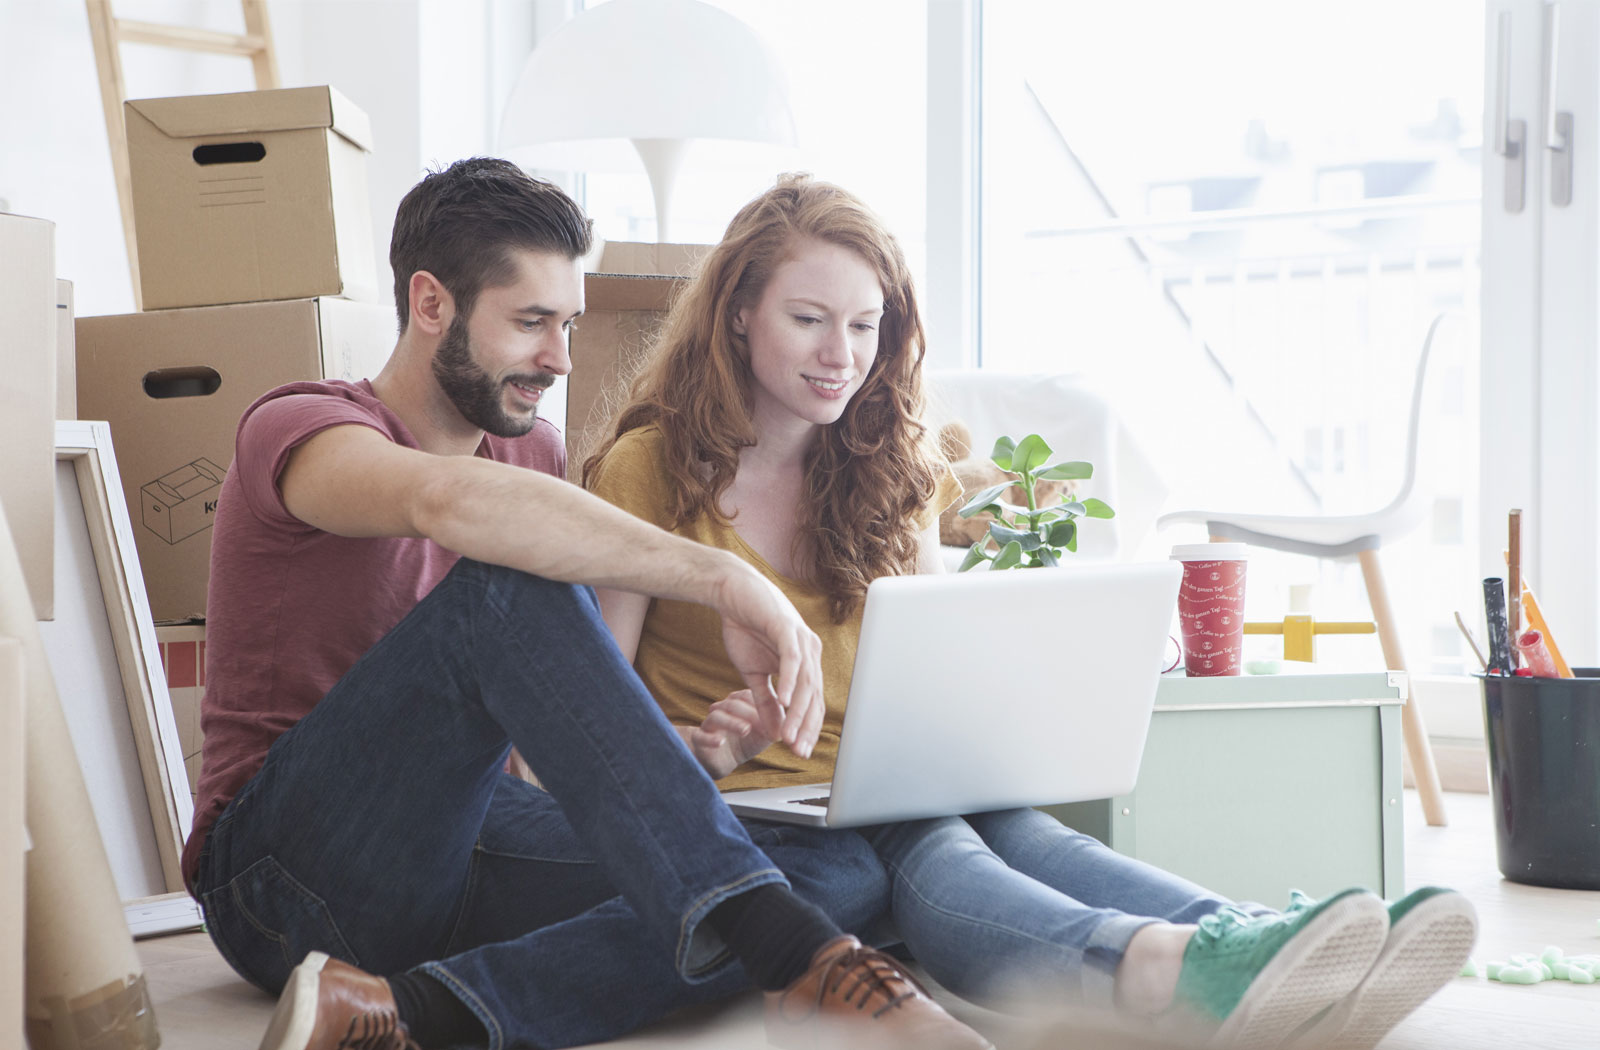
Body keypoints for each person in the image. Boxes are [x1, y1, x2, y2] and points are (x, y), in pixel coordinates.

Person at [582, 173, 1479, 1050]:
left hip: (885, 781)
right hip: (750, 802)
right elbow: (590, 717)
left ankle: (1252, 940)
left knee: (1017, 831)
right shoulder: (649, 470)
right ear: (738, 312)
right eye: (808, 320)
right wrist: (702, 750)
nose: (841, 355)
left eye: (865, 326)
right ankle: (1168, 967)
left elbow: (932, 660)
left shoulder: (889, 467)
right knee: (938, 848)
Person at [185, 157, 994, 1050]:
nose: (561, 358)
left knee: (829, 871)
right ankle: (804, 959)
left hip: (461, 853)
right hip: (277, 880)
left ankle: (412, 1015)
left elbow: (531, 749)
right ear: (431, 305)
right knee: (500, 586)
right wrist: (725, 576)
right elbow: (446, 503)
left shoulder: (529, 454)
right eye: (532, 322)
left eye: (567, 323)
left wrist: (679, 772)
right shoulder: (302, 428)